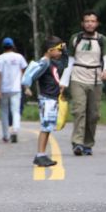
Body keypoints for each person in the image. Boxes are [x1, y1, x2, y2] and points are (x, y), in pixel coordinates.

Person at [68, 11, 106, 156]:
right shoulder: (75, 39)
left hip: (95, 79)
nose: (89, 24)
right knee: (79, 110)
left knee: (93, 114)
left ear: (97, 23)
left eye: (92, 21)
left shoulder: (102, 40)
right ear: (82, 24)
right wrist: (63, 82)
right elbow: (70, 61)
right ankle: (78, 142)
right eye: (87, 21)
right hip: (77, 77)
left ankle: (88, 143)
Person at [22, 36, 67, 167]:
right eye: (58, 50)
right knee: (45, 127)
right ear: (50, 50)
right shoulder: (45, 62)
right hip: (47, 99)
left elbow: (64, 63)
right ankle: (40, 154)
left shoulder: (53, 62)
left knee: (48, 128)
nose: (60, 52)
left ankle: (42, 154)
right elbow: (31, 74)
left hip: (52, 98)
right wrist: (27, 87)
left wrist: (65, 50)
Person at [0, 37, 27, 143]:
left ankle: (6, 135)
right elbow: (23, 71)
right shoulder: (19, 57)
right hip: (16, 88)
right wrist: (22, 84)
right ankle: (15, 130)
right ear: (13, 46)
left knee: (4, 111)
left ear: (3, 47)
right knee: (15, 111)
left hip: (4, 88)